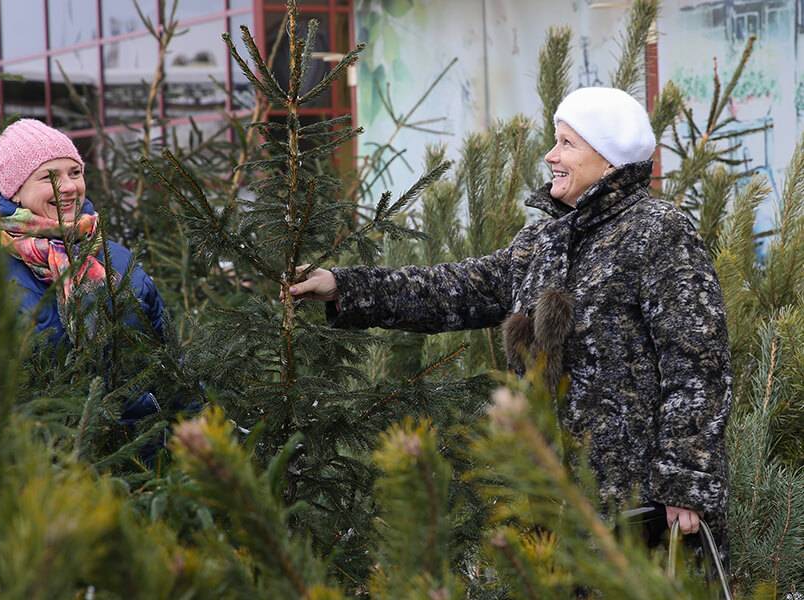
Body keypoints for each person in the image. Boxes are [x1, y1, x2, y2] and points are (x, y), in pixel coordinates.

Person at [289, 87, 731, 553]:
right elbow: (458, 287)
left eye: (566, 143)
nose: (550, 155)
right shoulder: (546, 238)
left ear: (609, 157)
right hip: (555, 501)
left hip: (641, 506)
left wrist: (684, 483)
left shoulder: (660, 232)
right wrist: (344, 286)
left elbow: (698, 365)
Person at [0, 118, 166, 346]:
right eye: (50, 177)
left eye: (75, 173)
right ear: (14, 191)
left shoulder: (117, 259)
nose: (69, 187)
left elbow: (167, 355)